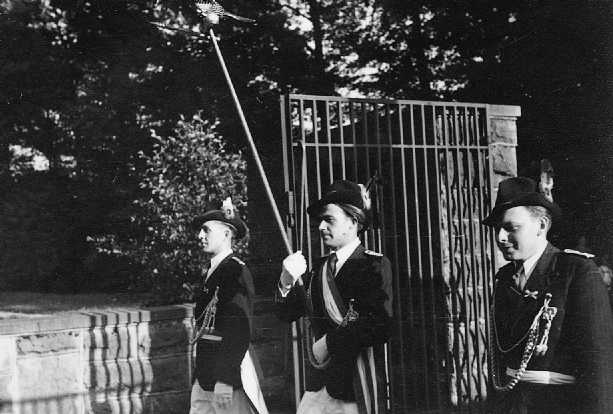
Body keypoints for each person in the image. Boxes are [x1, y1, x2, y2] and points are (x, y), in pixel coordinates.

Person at [484, 177, 613, 414]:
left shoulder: (576, 272)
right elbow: (501, 363)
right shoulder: (505, 278)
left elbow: (598, 369)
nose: (500, 237)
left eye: (511, 228)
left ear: (542, 225)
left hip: (558, 405)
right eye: (497, 228)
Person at [276, 180, 393, 414]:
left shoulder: (373, 266)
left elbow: (380, 326)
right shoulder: (318, 269)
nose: (321, 226)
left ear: (353, 222)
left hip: (354, 388)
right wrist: (285, 281)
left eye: (329, 219)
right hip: (317, 387)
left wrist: (329, 342)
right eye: (320, 220)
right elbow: (287, 313)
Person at [189, 199, 268, 414]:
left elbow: (238, 329)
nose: (200, 235)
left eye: (206, 230)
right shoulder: (213, 270)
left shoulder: (235, 271)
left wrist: (225, 380)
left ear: (226, 234)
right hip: (205, 375)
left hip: (227, 378)